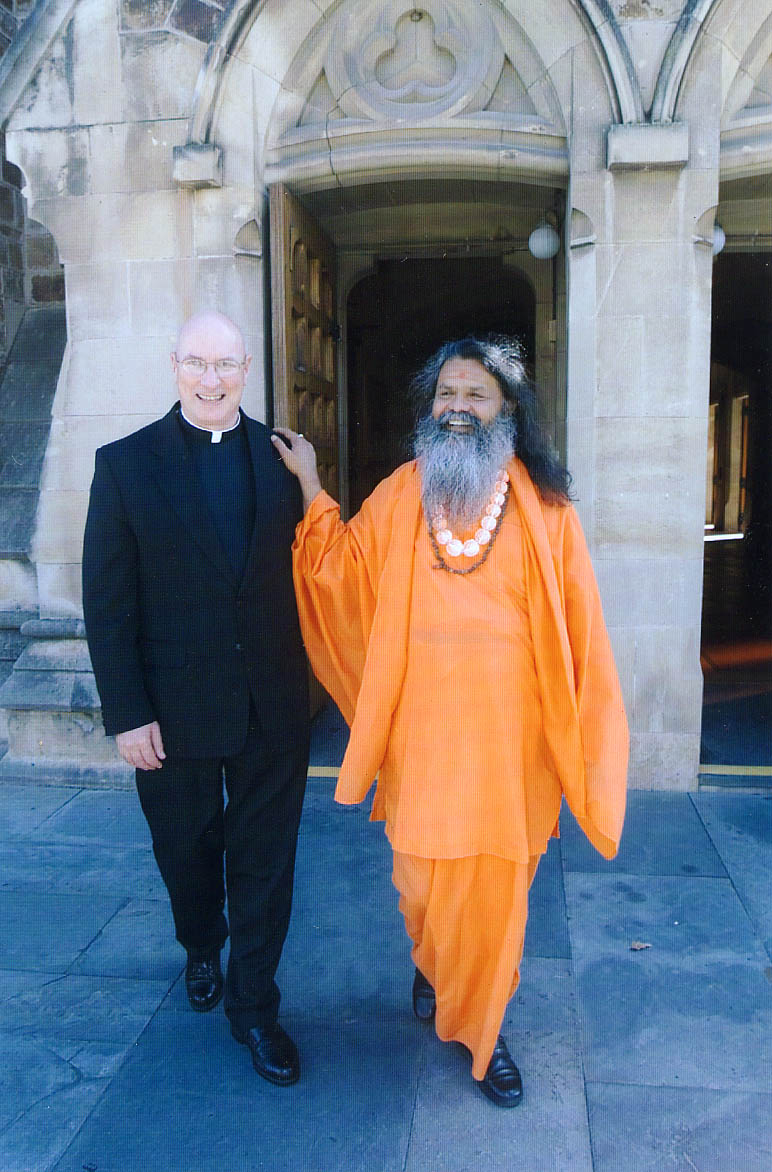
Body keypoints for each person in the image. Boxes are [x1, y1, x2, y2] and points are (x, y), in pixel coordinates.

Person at [272, 335, 628, 1107]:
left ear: (507, 412)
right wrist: (310, 487)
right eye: (447, 394)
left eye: (477, 395)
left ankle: (483, 1025)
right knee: (422, 886)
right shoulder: (403, 492)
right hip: (422, 742)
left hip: (510, 747)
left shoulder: (546, 506)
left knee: (495, 894)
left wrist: (584, 734)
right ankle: (436, 964)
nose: (458, 408)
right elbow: (340, 570)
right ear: (429, 409)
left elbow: (581, 624)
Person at [82, 310, 309, 1087]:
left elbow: (319, 569)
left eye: (226, 365)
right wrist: (126, 713)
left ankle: (256, 1009)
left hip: (273, 705)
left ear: (248, 366)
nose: (211, 380)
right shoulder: (124, 465)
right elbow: (107, 602)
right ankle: (201, 944)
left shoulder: (286, 460)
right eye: (197, 364)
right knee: (186, 852)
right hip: (169, 714)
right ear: (173, 363)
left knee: (266, 865)